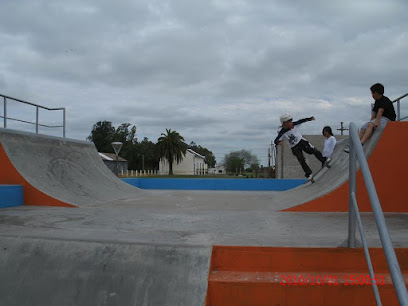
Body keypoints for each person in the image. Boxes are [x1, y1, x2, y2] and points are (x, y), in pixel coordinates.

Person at [274, 114, 330, 180]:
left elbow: (301, 121)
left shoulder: (294, 124)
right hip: (294, 147)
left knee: (312, 150)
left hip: (301, 141)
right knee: (301, 160)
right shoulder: (282, 132)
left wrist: (309, 118)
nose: (291, 123)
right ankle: (308, 173)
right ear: (284, 123)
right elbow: (276, 140)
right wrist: (278, 142)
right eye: (289, 122)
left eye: (291, 121)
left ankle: (323, 160)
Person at [345, 83, 396, 153]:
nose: (372, 95)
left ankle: (361, 144)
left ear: (377, 93)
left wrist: (376, 123)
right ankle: (353, 145)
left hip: (388, 119)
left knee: (370, 125)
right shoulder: (377, 101)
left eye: (372, 93)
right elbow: (374, 112)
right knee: (363, 128)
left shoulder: (384, 100)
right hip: (381, 118)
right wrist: (371, 122)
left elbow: (380, 112)